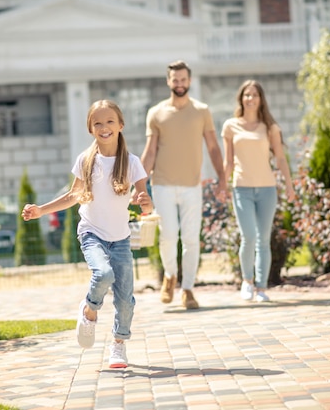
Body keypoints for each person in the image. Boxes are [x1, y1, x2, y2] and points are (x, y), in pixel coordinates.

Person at [21, 100, 152, 369]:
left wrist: (145, 202)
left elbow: (145, 200)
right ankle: (89, 311)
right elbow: (72, 196)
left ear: (121, 125)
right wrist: (41, 210)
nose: (104, 127)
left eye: (110, 122)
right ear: (91, 128)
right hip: (92, 233)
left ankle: (118, 345)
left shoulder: (133, 163)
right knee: (102, 274)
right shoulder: (86, 160)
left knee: (126, 299)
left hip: (121, 238)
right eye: (98, 123)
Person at [141, 60, 226, 309]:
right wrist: (139, 184)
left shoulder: (201, 111)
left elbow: (213, 147)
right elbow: (150, 151)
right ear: (168, 82)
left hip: (192, 185)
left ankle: (188, 288)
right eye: (174, 80)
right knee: (168, 236)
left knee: (190, 238)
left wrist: (222, 179)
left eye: (183, 79)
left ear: (189, 81)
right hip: (162, 183)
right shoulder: (156, 113)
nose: (179, 84)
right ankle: (170, 276)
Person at [220, 80, 296, 302]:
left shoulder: (270, 128)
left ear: (261, 99)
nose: (250, 99)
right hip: (241, 188)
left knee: (263, 239)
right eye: (246, 95)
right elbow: (228, 162)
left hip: (267, 189)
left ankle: (261, 288)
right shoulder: (230, 126)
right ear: (241, 99)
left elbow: (280, 158)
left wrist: (289, 186)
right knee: (249, 236)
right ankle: (247, 281)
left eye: (254, 95)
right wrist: (223, 185)